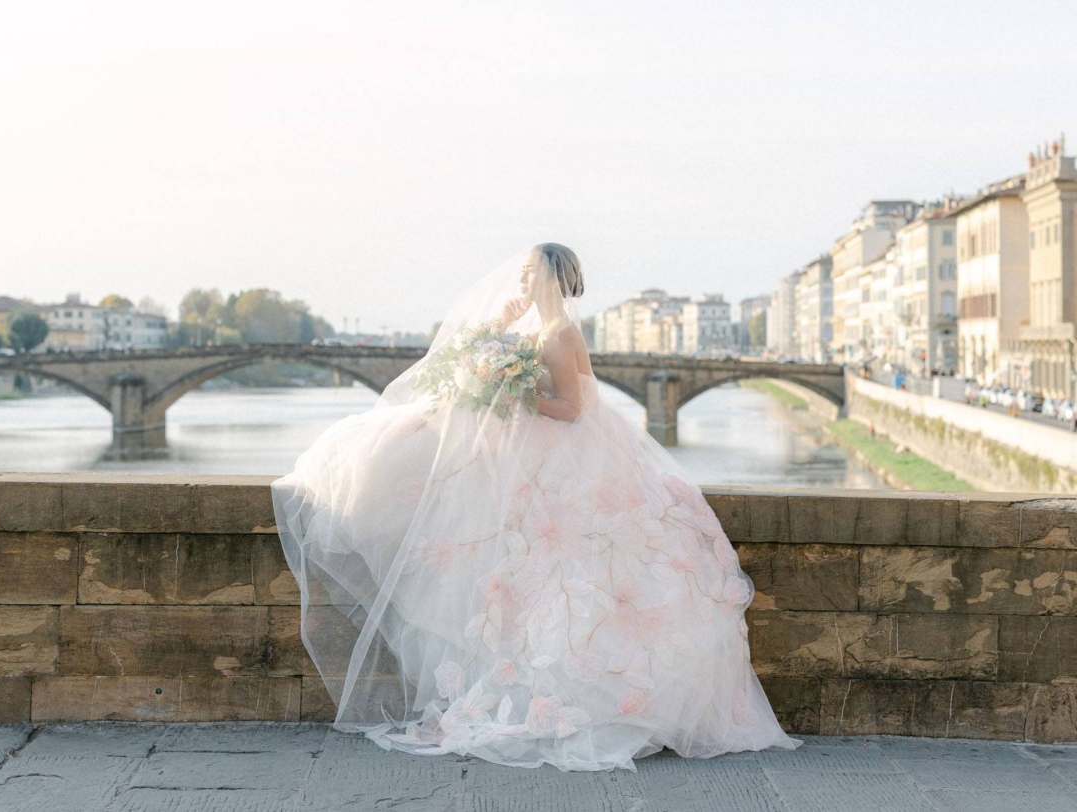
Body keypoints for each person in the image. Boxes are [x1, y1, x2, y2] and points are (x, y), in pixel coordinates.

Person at [271, 244, 800, 772]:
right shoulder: (531, 329)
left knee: (566, 572)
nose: (519, 280)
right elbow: (472, 352)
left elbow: (572, 410)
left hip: (568, 459)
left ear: (550, 279)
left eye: (528, 273)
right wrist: (494, 353)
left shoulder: (562, 335)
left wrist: (512, 392)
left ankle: (580, 697)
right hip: (536, 461)